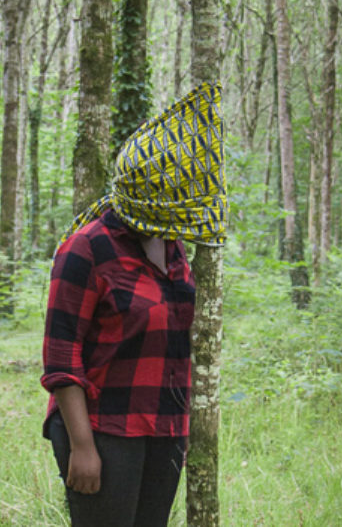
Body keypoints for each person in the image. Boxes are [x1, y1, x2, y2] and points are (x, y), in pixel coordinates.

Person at [40, 81, 227, 527]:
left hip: (164, 428)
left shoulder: (175, 244)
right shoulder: (85, 250)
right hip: (104, 430)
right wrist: (83, 448)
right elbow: (61, 358)